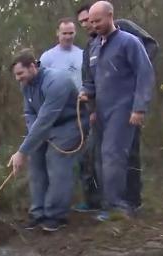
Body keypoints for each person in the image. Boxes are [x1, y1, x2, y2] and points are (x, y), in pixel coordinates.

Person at [76, 2, 159, 214]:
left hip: (123, 109)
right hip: (101, 111)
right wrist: (87, 94)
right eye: (91, 22)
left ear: (111, 16)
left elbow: (145, 74)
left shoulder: (129, 42)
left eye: (98, 20)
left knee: (114, 155)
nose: (94, 25)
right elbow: (91, 80)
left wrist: (139, 108)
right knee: (99, 157)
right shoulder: (93, 47)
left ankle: (118, 207)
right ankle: (109, 203)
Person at [8, 49, 83, 232]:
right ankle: (38, 213)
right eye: (16, 75)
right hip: (44, 127)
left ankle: (55, 215)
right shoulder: (26, 84)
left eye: (20, 73)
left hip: (69, 125)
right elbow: (30, 113)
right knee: (36, 165)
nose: (18, 78)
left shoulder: (57, 81)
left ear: (33, 66)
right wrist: (30, 145)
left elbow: (45, 119)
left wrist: (22, 151)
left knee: (57, 165)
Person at [40, 17, 100, 213]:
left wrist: (91, 107)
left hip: (80, 109)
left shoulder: (83, 54)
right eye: (64, 33)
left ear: (75, 33)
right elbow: (40, 85)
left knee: (86, 158)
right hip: (56, 114)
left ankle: (90, 200)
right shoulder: (47, 57)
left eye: (71, 33)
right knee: (55, 160)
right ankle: (54, 201)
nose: (67, 36)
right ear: (57, 33)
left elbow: (90, 81)